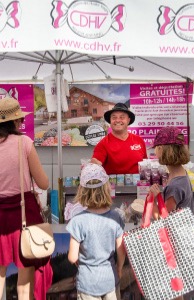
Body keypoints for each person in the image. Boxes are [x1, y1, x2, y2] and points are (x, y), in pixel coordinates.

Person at [0, 97, 51, 300]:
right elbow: (43, 183)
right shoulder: (24, 142)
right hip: (23, 214)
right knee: (25, 279)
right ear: (15, 122)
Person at [67, 163, 125, 300]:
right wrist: (119, 268)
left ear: (82, 190)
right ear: (106, 189)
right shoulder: (115, 217)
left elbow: (72, 257)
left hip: (87, 283)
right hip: (110, 279)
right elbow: (121, 250)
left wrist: (78, 262)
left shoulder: (77, 221)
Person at [91, 103, 148, 174]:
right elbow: (95, 164)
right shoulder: (103, 144)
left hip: (139, 184)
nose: (117, 120)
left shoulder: (139, 140)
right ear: (110, 121)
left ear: (128, 120)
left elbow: (145, 165)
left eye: (122, 117)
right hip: (114, 184)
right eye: (114, 118)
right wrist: (91, 168)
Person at [149, 127, 194, 212]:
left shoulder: (174, 186)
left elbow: (162, 219)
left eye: (155, 148)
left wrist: (153, 200)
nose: (155, 153)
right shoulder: (181, 173)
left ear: (161, 149)